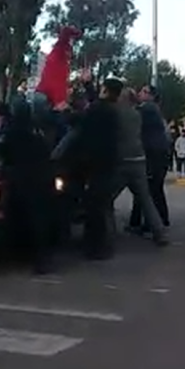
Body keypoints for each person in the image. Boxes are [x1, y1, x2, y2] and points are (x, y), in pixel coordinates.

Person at [0, 97, 57, 274]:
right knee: (39, 220)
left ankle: (32, 257)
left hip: (23, 180)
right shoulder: (36, 130)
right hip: (42, 178)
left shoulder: (13, 132)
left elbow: (0, 151)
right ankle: (40, 258)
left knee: (24, 218)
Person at [108, 85, 169, 247]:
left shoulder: (118, 113)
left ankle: (107, 236)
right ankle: (159, 232)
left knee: (106, 198)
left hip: (123, 161)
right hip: (139, 159)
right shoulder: (137, 114)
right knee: (146, 198)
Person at [73, 78, 123, 260]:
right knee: (101, 205)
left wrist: (63, 113)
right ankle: (100, 245)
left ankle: (95, 247)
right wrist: (88, 85)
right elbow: (95, 104)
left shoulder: (98, 109)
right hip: (107, 162)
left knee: (94, 207)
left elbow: (83, 119)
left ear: (106, 90)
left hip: (95, 163)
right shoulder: (111, 110)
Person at [127, 85, 172, 235]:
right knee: (152, 188)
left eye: (144, 92)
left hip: (154, 155)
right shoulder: (152, 110)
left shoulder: (148, 108)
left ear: (152, 96)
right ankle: (157, 220)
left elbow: (131, 114)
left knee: (150, 188)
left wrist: (129, 98)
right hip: (157, 154)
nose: (141, 93)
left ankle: (153, 223)